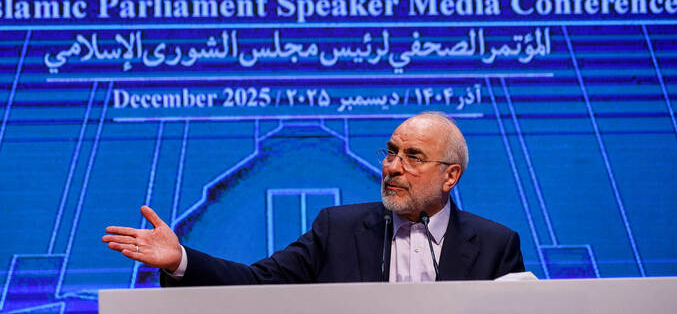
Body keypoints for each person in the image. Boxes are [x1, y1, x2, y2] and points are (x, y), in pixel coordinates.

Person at [102, 112, 524, 285]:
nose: (393, 167)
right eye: (391, 152)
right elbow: (258, 284)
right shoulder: (338, 230)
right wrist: (180, 260)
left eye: (413, 157)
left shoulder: (495, 245)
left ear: (451, 176)